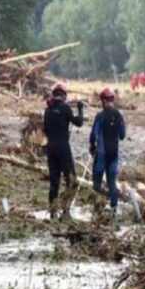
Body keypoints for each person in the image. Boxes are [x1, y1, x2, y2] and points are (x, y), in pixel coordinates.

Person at [43, 82, 84, 219]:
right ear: (64, 95)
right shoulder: (65, 108)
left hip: (51, 148)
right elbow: (79, 122)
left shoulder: (48, 109)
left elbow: (45, 130)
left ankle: (52, 211)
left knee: (54, 182)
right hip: (63, 148)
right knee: (71, 179)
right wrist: (80, 109)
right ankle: (65, 209)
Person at [89, 88, 126, 212]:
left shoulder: (100, 116)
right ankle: (114, 209)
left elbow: (93, 135)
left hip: (101, 154)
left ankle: (96, 209)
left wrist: (92, 147)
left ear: (103, 101)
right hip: (114, 154)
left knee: (97, 182)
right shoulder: (119, 115)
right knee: (112, 183)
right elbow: (122, 135)